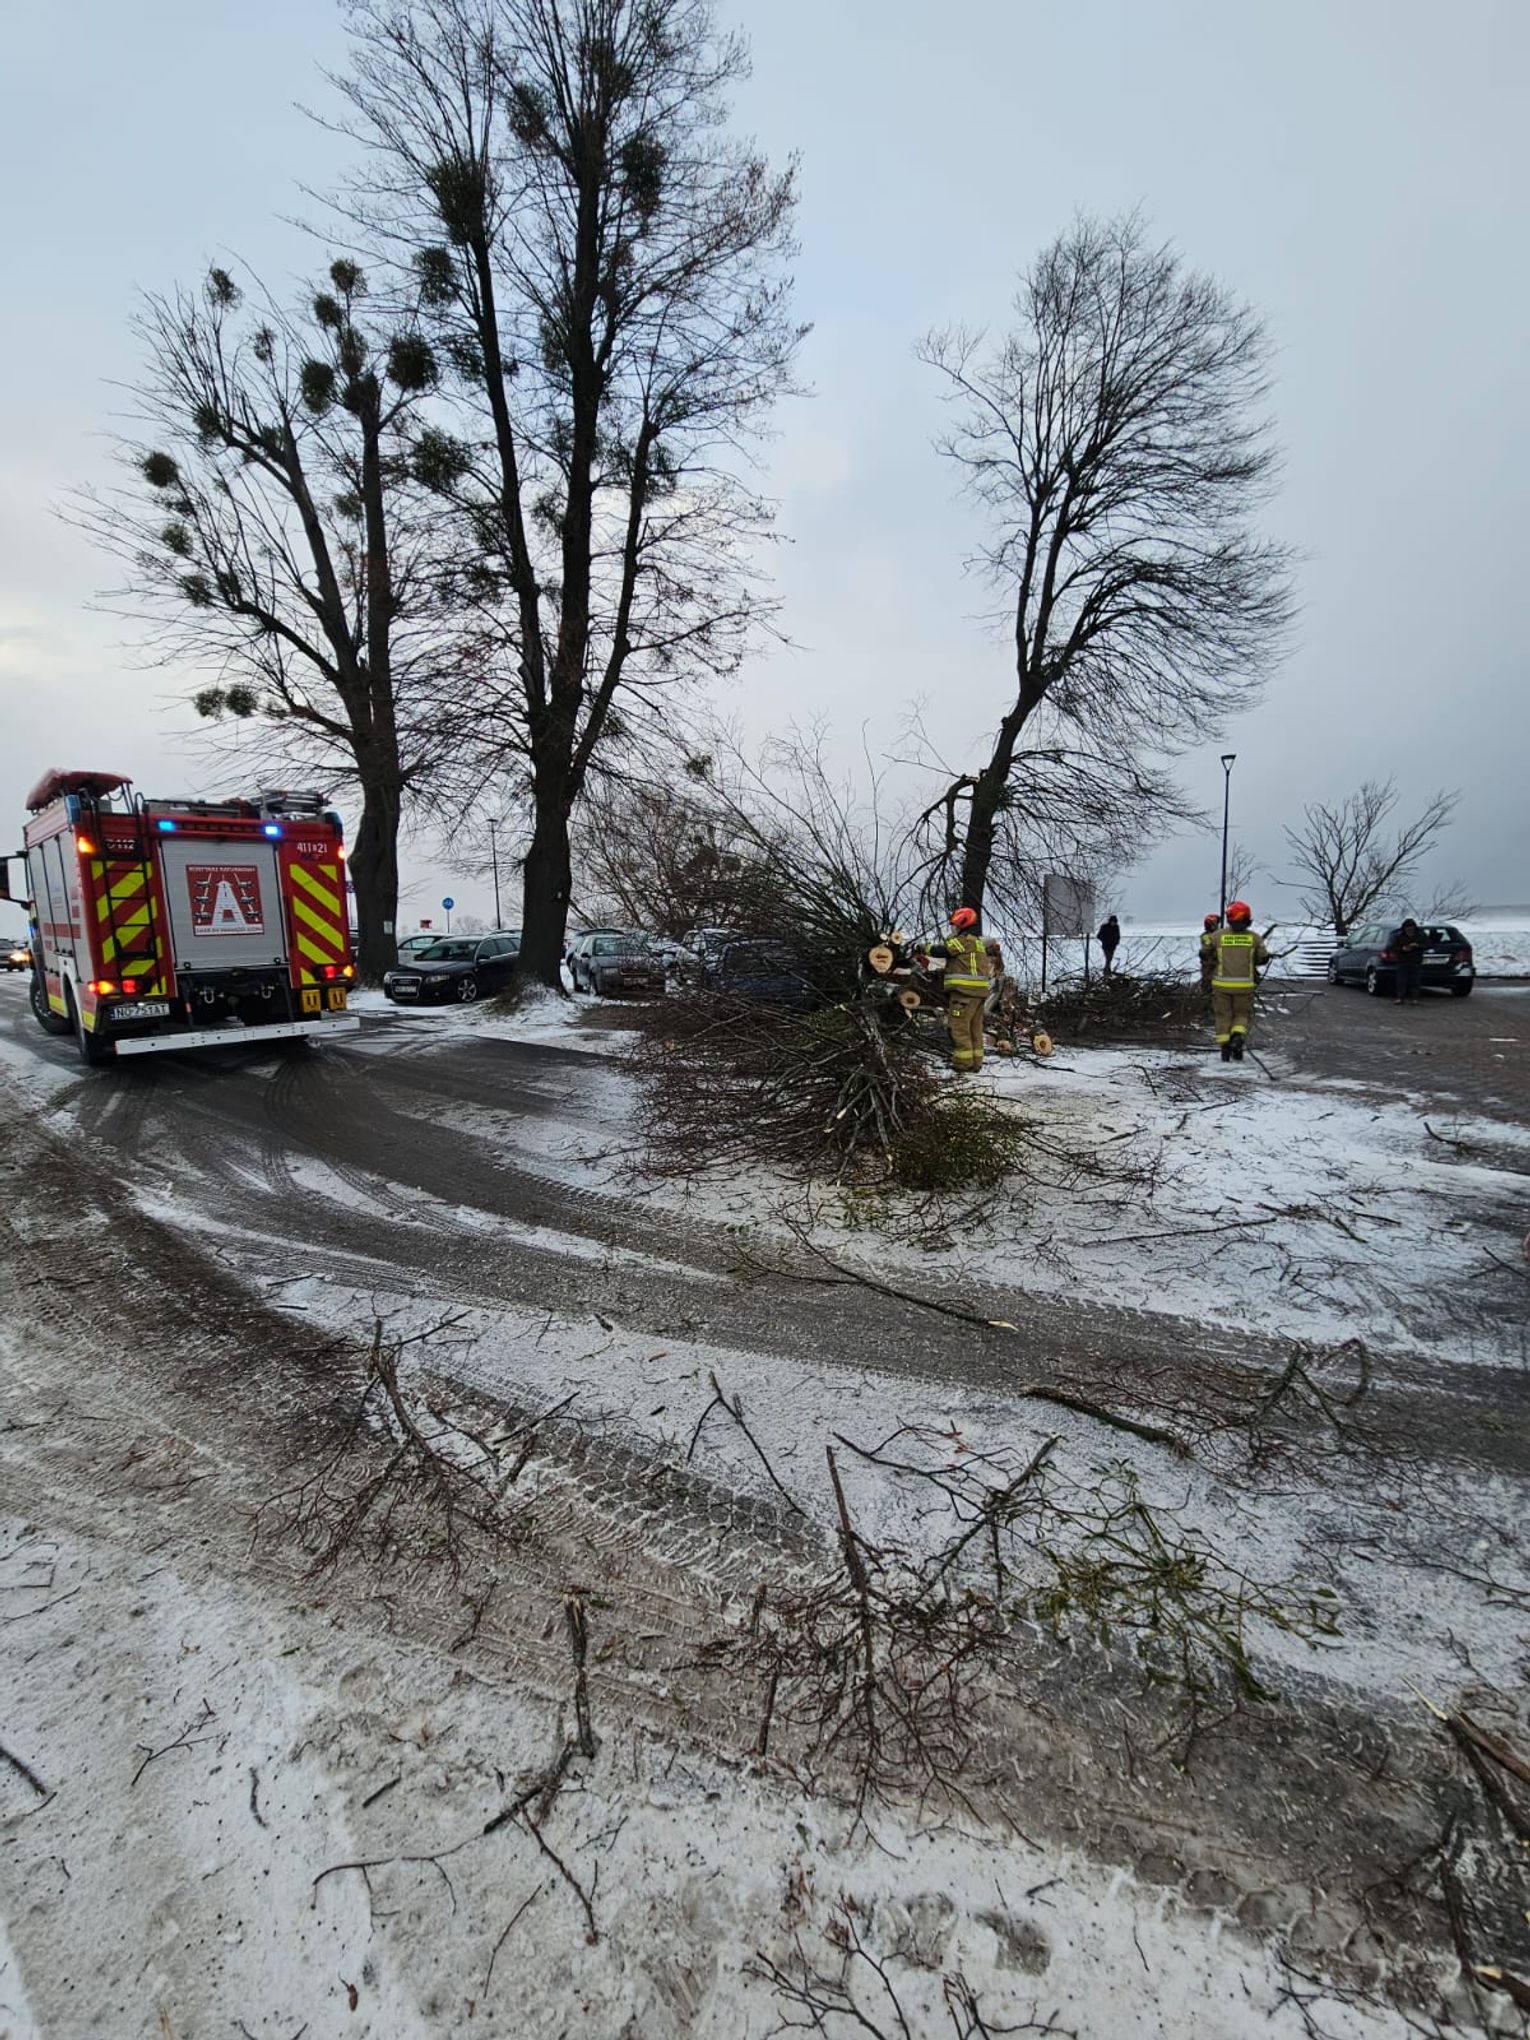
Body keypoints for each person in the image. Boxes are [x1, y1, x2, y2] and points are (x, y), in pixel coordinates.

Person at [929, 907, 991, 1073]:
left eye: (956, 926)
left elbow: (942, 951)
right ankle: (976, 1062)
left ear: (963, 925)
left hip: (964, 994)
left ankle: (963, 1063)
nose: (954, 929)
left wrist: (921, 948)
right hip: (978, 994)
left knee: (959, 1028)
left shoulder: (963, 941)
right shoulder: (977, 943)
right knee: (974, 1029)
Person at [1208, 900, 1270, 1062]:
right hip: (1244, 986)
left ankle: (1225, 1049)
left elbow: (1205, 953)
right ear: (1248, 919)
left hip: (1221, 986)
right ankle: (1237, 1038)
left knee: (1223, 1016)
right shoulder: (1255, 938)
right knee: (1242, 1014)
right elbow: (1262, 958)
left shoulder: (1217, 936)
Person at [1394, 918, 1425, 1005]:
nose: (1409, 929)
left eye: (1411, 927)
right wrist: (1403, 949)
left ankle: (1415, 998)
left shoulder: (1421, 935)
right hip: (1402, 961)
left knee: (1415, 980)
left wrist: (1417, 945)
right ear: (1404, 928)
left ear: (1414, 927)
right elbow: (1393, 948)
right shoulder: (1399, 936)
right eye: (1407, 927)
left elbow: (1428, 944)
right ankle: (1400, 997)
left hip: (1416, 961)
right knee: (1401, 980)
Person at [1198, 912, 1221, 1008]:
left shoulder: (1218, 935)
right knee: (1209, 987)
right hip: (1210, 967)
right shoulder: (1207, 936)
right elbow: (1209, 949)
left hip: (1216, 967)